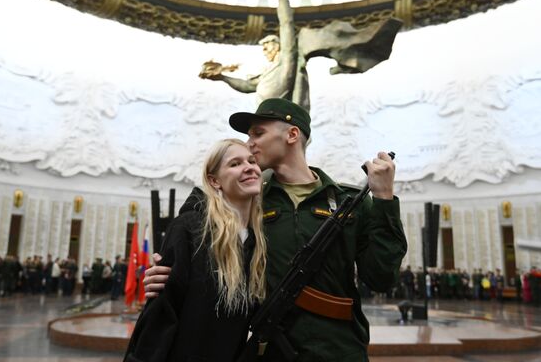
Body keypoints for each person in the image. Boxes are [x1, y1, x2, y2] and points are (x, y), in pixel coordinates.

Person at [145, 98, 407, 361]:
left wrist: (384, 198)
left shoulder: (346, 202)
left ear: (292, 134)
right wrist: (170, 266)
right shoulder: (250, 197)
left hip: (338, 349)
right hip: (271, 350)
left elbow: (382, 277)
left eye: (258, 133)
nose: (250, 143)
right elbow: (202, 216)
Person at [125, 139, 267, 362]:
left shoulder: (257, 240)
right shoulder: (189, 228)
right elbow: (161, 314)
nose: (249, 167)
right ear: (214, 181)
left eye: (251, 161)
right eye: (235, 164)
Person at [199, 0, 401, 114]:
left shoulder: (287, 59)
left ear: (278, 45)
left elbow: (286, 25)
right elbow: (246, 86)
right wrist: (223, 78)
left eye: (267, 45)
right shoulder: (267, 72)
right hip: (263, 119)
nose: (265, 50)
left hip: (282, 121)